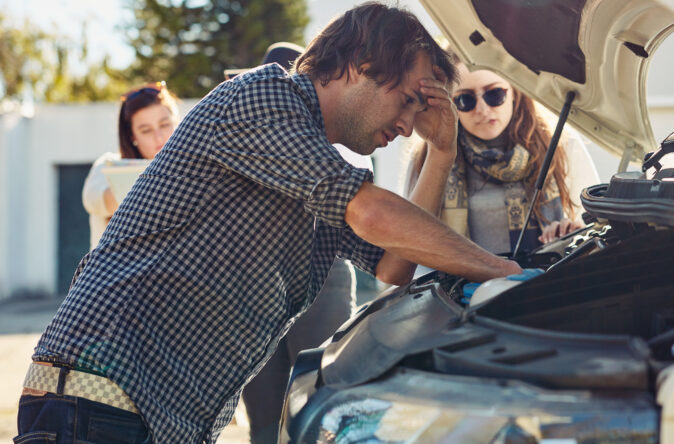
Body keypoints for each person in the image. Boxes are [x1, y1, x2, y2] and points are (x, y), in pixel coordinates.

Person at [16, 3, 521, 443]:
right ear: (361, 64)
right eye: (409, 98)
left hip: (153, 418)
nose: (409, 122)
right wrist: (504, 274)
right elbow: (371, 211)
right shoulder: (264, 97)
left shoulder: (318, 166)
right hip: (96, 401)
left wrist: (442, 151)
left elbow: (394, 266)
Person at [229, 41, 369, 444]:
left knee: (324, 407)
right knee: (264, 419)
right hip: (255, 287)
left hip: (322, 279)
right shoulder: (248, 131)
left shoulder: (344, 131)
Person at [405, 51, 599, 255]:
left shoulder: (562, 145)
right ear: (451, 103)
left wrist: (569, 234)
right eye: (465, 100)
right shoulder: (430, 156)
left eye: (494, 94)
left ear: (514, 91)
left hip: (551, 281)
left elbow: (593, 227)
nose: (482, 109)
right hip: (465, 286)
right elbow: (412, 240)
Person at [82, 82, 179, 248]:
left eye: (164, 125)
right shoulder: (107, 165)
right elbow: (93, 200)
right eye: (146, 130)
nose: (159, 137)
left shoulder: (195, 168)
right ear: (132, 136)